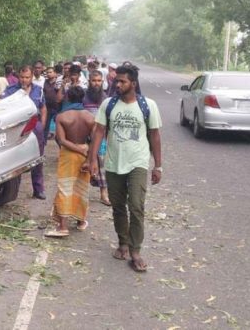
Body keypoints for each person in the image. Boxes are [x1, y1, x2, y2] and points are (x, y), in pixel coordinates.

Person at [86, 65, 162, 273]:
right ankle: (123, 243)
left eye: (122, 81)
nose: (117, 84)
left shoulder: (148, 106)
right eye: (116, 81)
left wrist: (158, 165)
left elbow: (154, 135)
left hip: (138, 163)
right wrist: (92, 159)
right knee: (118, 206)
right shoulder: (108, 105)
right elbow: (99, 131)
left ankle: (135, 251)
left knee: (136, 206)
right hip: (113, 163)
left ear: (133, 84)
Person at [45, 86, 94, 237]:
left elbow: (62, 140)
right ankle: (80, 221)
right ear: (82, 98)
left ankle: (63, 226)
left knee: (65, 188)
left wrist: (76, 149)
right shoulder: (90, 117)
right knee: (81, 187)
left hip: (68, 154)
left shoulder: (62, 117)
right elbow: (94, 141)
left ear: (68, 98)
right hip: (85, 154)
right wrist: (85, 153)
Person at [0, 65, 47, 200]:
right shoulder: (10, 90)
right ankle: (14, 189)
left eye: (27, 77)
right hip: (17, 128)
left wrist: (42, 124)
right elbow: (0, 105)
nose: (24, 80)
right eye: (22, 77)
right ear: (18, 76)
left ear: (32, 77)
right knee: (16, 158)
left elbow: (43, 108)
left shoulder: (38, 90)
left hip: (35, 127)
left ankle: (38, 189)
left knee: (37, 157)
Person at [83, 70, 111, 206]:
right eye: (94, 81)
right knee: (83, 164)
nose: (96, 83)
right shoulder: (83, 96)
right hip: (84, 136)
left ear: (102, 82)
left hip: (101, 137)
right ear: (89, 81)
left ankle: (103, 194)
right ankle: (82, 195)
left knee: (102, 165)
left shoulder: (106, 98)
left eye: (99, 81)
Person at [41, 66, 62, 141]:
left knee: (59, 124)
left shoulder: (59, 82)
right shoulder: (45, 82)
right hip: (47, 107)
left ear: (55, 73)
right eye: (47, 73)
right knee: (46, 125)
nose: (49, 74)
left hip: (57, 107)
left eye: (50, 72)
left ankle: (60, 139)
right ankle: (43, 141)